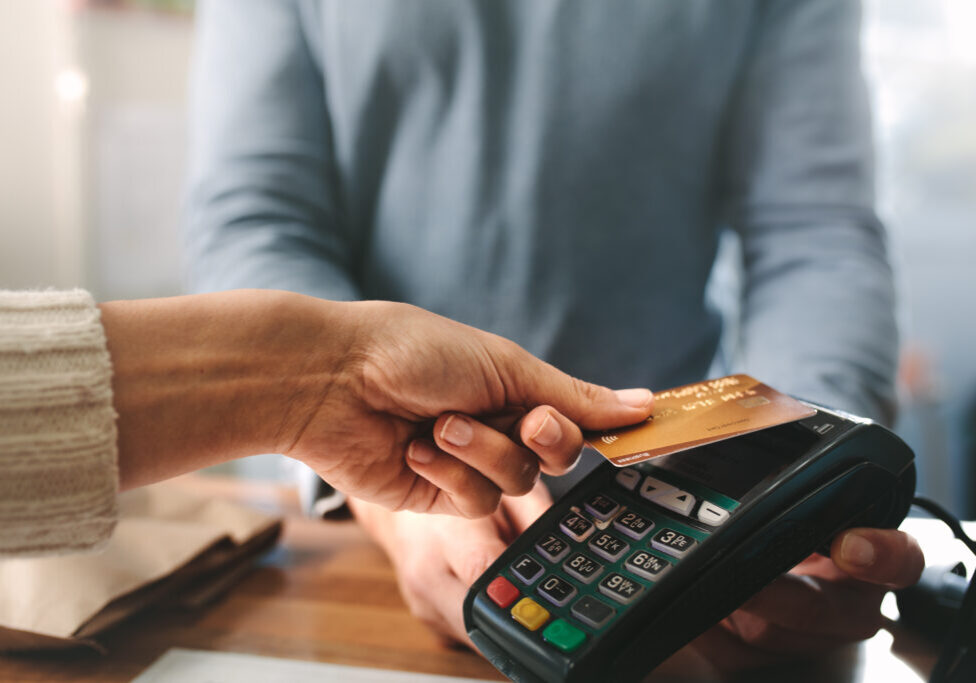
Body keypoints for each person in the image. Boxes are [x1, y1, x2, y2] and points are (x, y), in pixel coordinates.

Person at [184, 0, 925, 664]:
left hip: (680, 526)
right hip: (366, 528)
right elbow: (255, 218)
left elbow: (813, 231)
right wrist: (379, 475)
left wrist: (803, 484)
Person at [0, 288, 653, 556]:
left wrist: (330, 381)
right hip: (363, 530)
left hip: (647, 506)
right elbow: (253, 209)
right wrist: (329, 387)